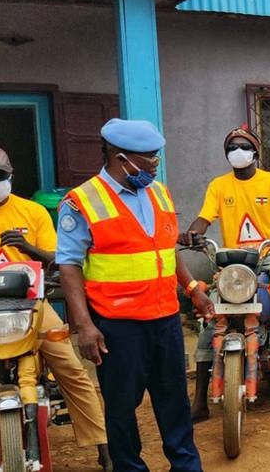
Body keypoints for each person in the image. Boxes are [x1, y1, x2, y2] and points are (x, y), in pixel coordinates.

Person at [57, 119, 212, 472]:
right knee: (122, 407)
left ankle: (187, 466)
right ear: (119, 156)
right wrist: (84, 325)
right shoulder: (82, 201)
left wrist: (192, 289)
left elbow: (167, 250)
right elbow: (68, 265)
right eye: (148, 159)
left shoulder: (159, 192)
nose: (154, 165)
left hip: (166, 318)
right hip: (118, 326)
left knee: (174, 401)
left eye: (156, 158)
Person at [0, 147, 111, 470]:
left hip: (31, 306)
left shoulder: (34, 212)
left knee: (71, 369)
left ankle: (104, 448)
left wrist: (26, 248)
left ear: (11, 177)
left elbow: (58, 259)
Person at [178, 126, 270, 422]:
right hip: (232, 265)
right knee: (212, 319)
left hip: (269, 258)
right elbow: (204, 219)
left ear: (255, 151)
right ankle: (200, 400)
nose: (237, 152)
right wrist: (193, 234)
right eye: (231, 147)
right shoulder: (219, 185)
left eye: (243, 146)